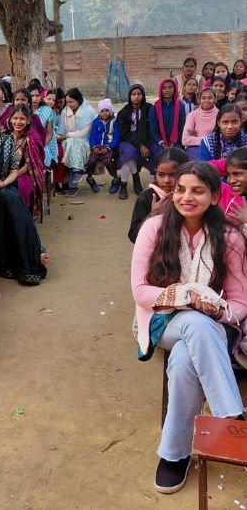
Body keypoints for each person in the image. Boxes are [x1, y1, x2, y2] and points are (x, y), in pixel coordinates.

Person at [131, 162, 247, 494]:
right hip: (161, 321)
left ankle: (174, 454)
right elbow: (140, 292)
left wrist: (217, 309)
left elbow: (240, 300)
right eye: (181, 189)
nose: (186, 197)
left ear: (214, 197)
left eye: (198, 191)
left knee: (184, 359)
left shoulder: (230, 236)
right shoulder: (153, 229)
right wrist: (187, 297)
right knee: (194, 322)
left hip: (214, 325)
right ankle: (231, 416)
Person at [0, 103, 47, 285]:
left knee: (9, 200)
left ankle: (17, 262)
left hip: (3, 186)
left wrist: (3, 183)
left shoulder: (6, 140)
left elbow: (13, 171)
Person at [128, 148, 189, 243]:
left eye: (173, 175)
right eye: (161, 175)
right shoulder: (147, 197)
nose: (166, 180)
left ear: (186, 173)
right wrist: (153, 214)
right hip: (157, 249)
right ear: (155, 171)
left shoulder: (190, 197)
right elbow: (134, 236)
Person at [56, 87, 97, 197]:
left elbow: (84, 132)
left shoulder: (88, 112)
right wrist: (59, 136)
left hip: (85, 141)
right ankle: (75, 173)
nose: (69, 104)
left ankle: (74, 182)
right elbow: (61, 128)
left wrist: (67, 136)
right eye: (67, 102)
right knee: (68, 147)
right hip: (67, 141)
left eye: (71, 102)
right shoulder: (65, 111)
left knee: (73, 144)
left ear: (79, 100)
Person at [116, 83, 152, 199]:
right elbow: (123, 134)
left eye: (139, 94)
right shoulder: (123, 113)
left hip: (143, 139)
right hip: (127, 140)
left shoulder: (149, 109)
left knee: (128, 159)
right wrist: (140, 146)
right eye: (133, 94)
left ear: (143, 95)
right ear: (129, 96)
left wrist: (144, 144)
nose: (136, 97)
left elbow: (151, 129)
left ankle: (124, 185)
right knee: (129, 152)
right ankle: (136, 179)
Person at [9, 104, 45, 219]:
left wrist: (12, 176)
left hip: (25, 174)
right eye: (15, 118)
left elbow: (28, 165)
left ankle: (21, 219)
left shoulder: (32, 139)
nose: (18, 122)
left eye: (22, 119)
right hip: (5, 173)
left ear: (28, 120)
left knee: (19, 187)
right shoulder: (5, 136)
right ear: (10, 119)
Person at [85, 99, 120, 195]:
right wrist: (94, 147)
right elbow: (92, 136)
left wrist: (108, 148)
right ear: (99, 112)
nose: (104, 113)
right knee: (91, 161)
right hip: (97, 147)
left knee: (108, 161)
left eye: (107, 110)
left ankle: (116, 179)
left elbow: (116, 137)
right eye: (102, 111)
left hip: (108, 147)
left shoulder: (114, 121)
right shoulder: (96, 121)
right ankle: (90, 178)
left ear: (110, 111)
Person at [207, 147, 247, 228]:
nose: (231, 180)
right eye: (228, 174)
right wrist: (232, 161)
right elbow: (204, 170)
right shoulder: (225, 192)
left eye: (237, 174)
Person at [149, 78, 186, 156]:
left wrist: (173, 143)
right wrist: (162, 143)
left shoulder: (180, 107)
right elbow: (153, 130)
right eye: (164, 88)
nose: (167, 90)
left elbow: (181, 128)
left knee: (176, 156)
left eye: (170, 87)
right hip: (158, 142)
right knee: (160, 157)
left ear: (175, 89)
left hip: (177, 142)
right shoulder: (154, 108)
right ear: (161, 90)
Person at [182, 87, 218, 161]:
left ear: (215, 99)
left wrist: (194, 139)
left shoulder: (220, 115)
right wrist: (209, 139)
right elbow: (185, 140)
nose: (206, 100)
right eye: (203, 98)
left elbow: (219, 139)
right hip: (194, 149)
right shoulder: (192, 115)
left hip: (214, 149)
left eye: (210, 98)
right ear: (199, 100)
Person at [34, 89, 58, 168]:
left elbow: (50, 133)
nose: (51, 102)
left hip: (43, 142)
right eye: (49, 99)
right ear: (43, 98)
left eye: (53, 100)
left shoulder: (49, 111)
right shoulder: (27, 110)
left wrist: (40, 145)